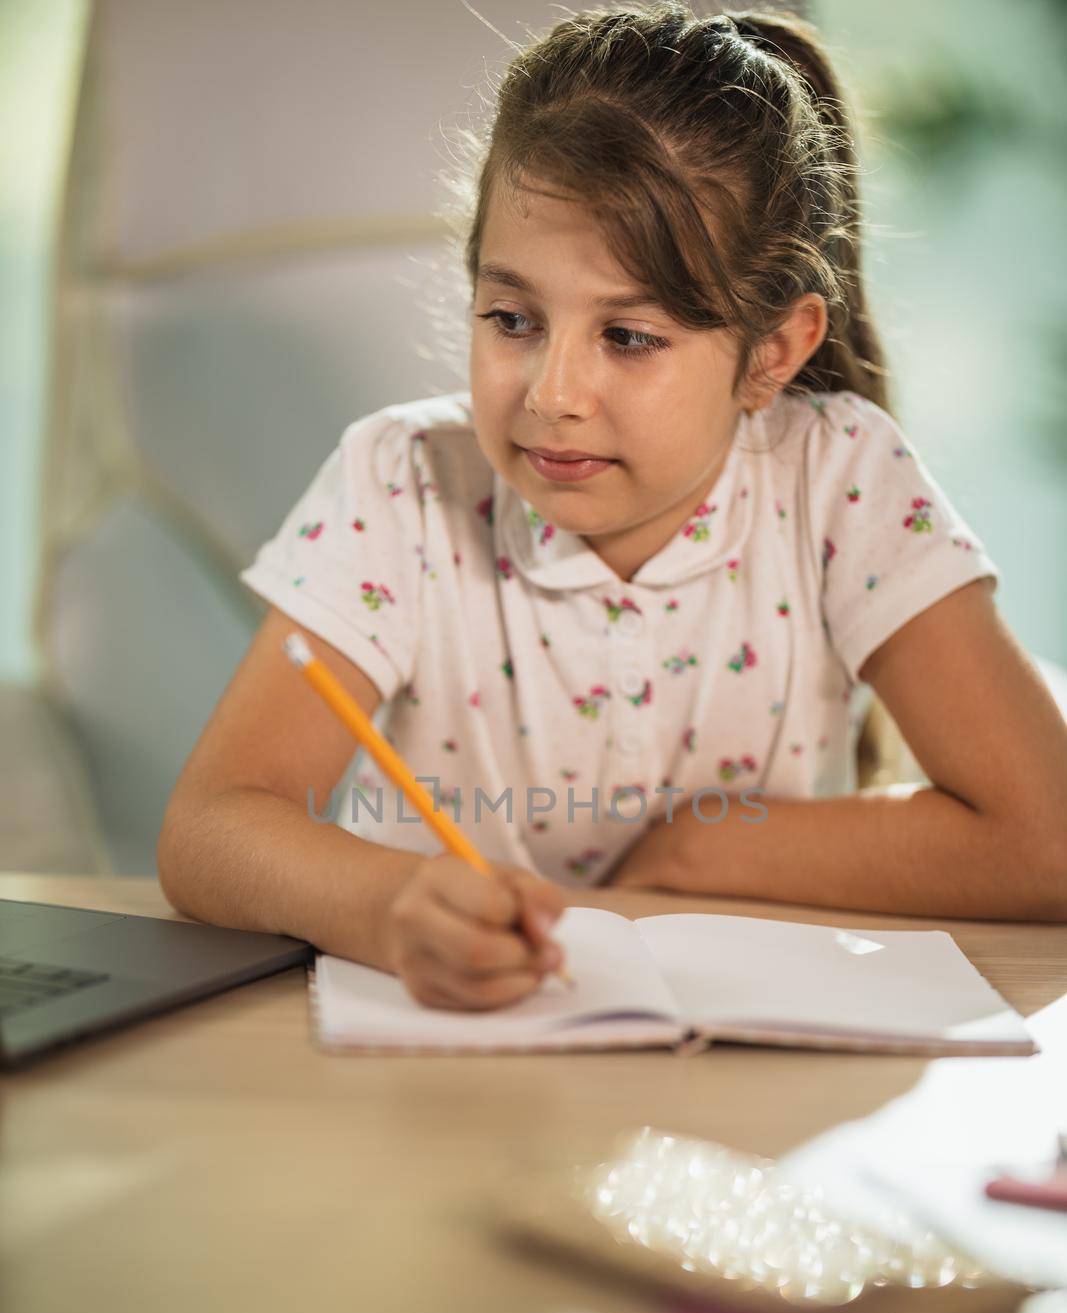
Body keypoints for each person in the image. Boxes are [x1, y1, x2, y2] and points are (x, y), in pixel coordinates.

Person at [157, 4, 1067, 1013]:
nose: (551, 392)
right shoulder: (400, 479)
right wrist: (391, 903)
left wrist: (703, 850)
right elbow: (207, 830)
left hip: (746, 1090)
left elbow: (1048, 840)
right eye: (512, 319)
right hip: (445, 1076)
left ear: (770, 353)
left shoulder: (836, 475)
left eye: (627, 335)